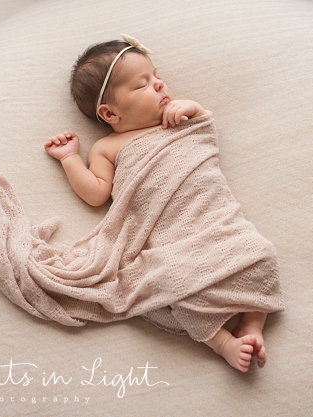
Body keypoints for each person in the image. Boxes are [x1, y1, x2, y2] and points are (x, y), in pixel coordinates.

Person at [43, 35, 269, 372]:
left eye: (156, 75)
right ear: (109, 112)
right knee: (173, 284)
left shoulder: (179, 121)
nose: (160, 84)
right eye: (143, 84)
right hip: (170, 237)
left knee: (259, 252)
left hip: (216, 219)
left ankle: (252, 324)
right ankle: (222, 341)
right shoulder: (107, 147)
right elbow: (96, 194)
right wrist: (70, 158)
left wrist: (192, 108)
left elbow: (205, 129)